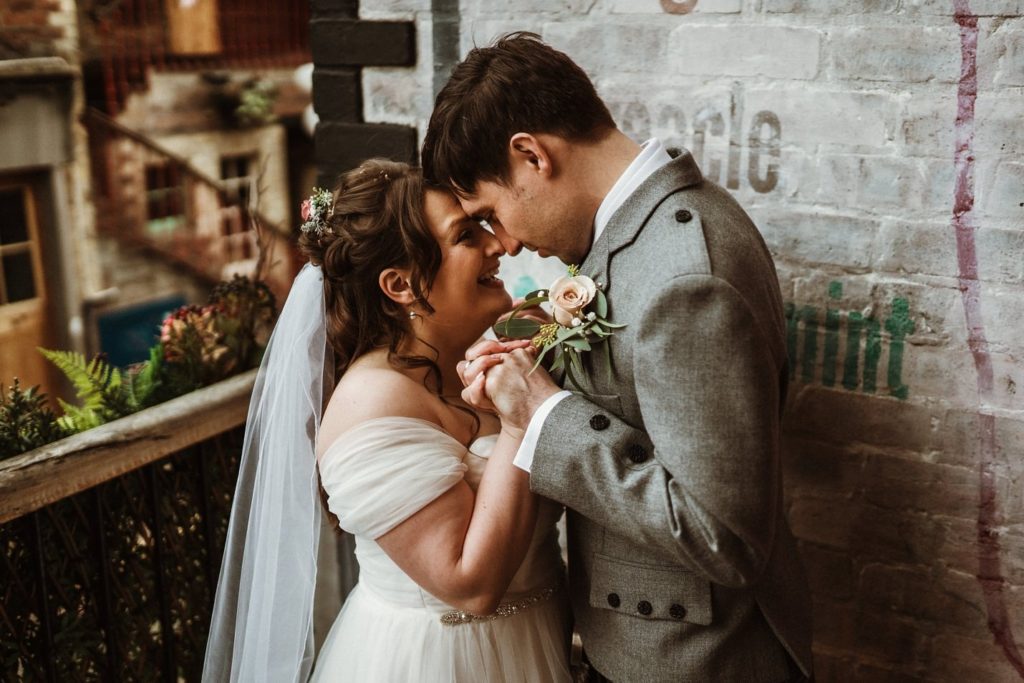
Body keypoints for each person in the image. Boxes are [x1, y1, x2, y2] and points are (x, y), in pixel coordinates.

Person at [422, 33, 814, 682]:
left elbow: (727, 535)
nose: (509, 243)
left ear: (531, 155)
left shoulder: (687, 276)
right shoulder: (641, 234)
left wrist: (546, 415)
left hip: (697, 664)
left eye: (492, 213)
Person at [202, 159, 571, 682]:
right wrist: (518, 420)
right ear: (401, 284)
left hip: (541, 639)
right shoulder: (371, 408)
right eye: (466, 235)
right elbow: (472, 585)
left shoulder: (469, 364)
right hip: (441, 664)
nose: (497, 245)